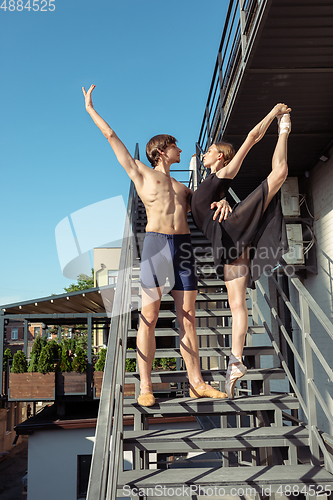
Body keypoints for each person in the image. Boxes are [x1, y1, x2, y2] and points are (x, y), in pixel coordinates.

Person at [82, 84, 232, 406]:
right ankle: (145, 386)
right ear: (162, 151)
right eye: (176, 147)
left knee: (188, 316)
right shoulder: (141, 174)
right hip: (156, 245)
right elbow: (112, 138)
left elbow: (207, 202)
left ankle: (197, 382)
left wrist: (224, 203)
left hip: (184, 247)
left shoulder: (182, 188)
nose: (180, 151)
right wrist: (91, 109)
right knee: (148, 316)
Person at [191, 103, 291, 399]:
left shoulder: (221, 174)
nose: (205, 153)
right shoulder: (208, 185)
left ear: (219, 157)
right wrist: (222, 201)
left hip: (231, 229)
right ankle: (235, 361)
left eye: (209, 150)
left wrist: (273, 113)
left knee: (280, 173)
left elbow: (250, 138)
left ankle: (284, 129)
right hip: (224, 243)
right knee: (237, 305)